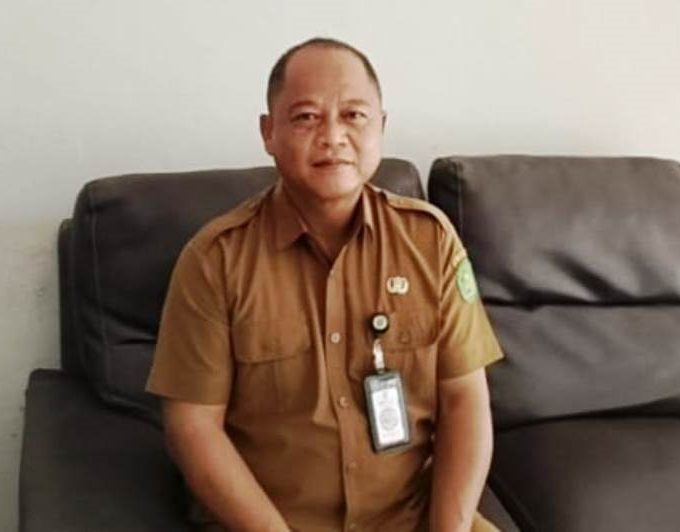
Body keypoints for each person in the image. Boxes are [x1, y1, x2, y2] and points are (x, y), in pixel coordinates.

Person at [146, 37, 504, 532]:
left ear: (381, 127)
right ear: (268, 132)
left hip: (413, 518)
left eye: (353, 115)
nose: (333, 136)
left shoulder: (430, 240)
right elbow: (193, 427)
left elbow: (465, 399)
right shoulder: (214, 260)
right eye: (306, 117)